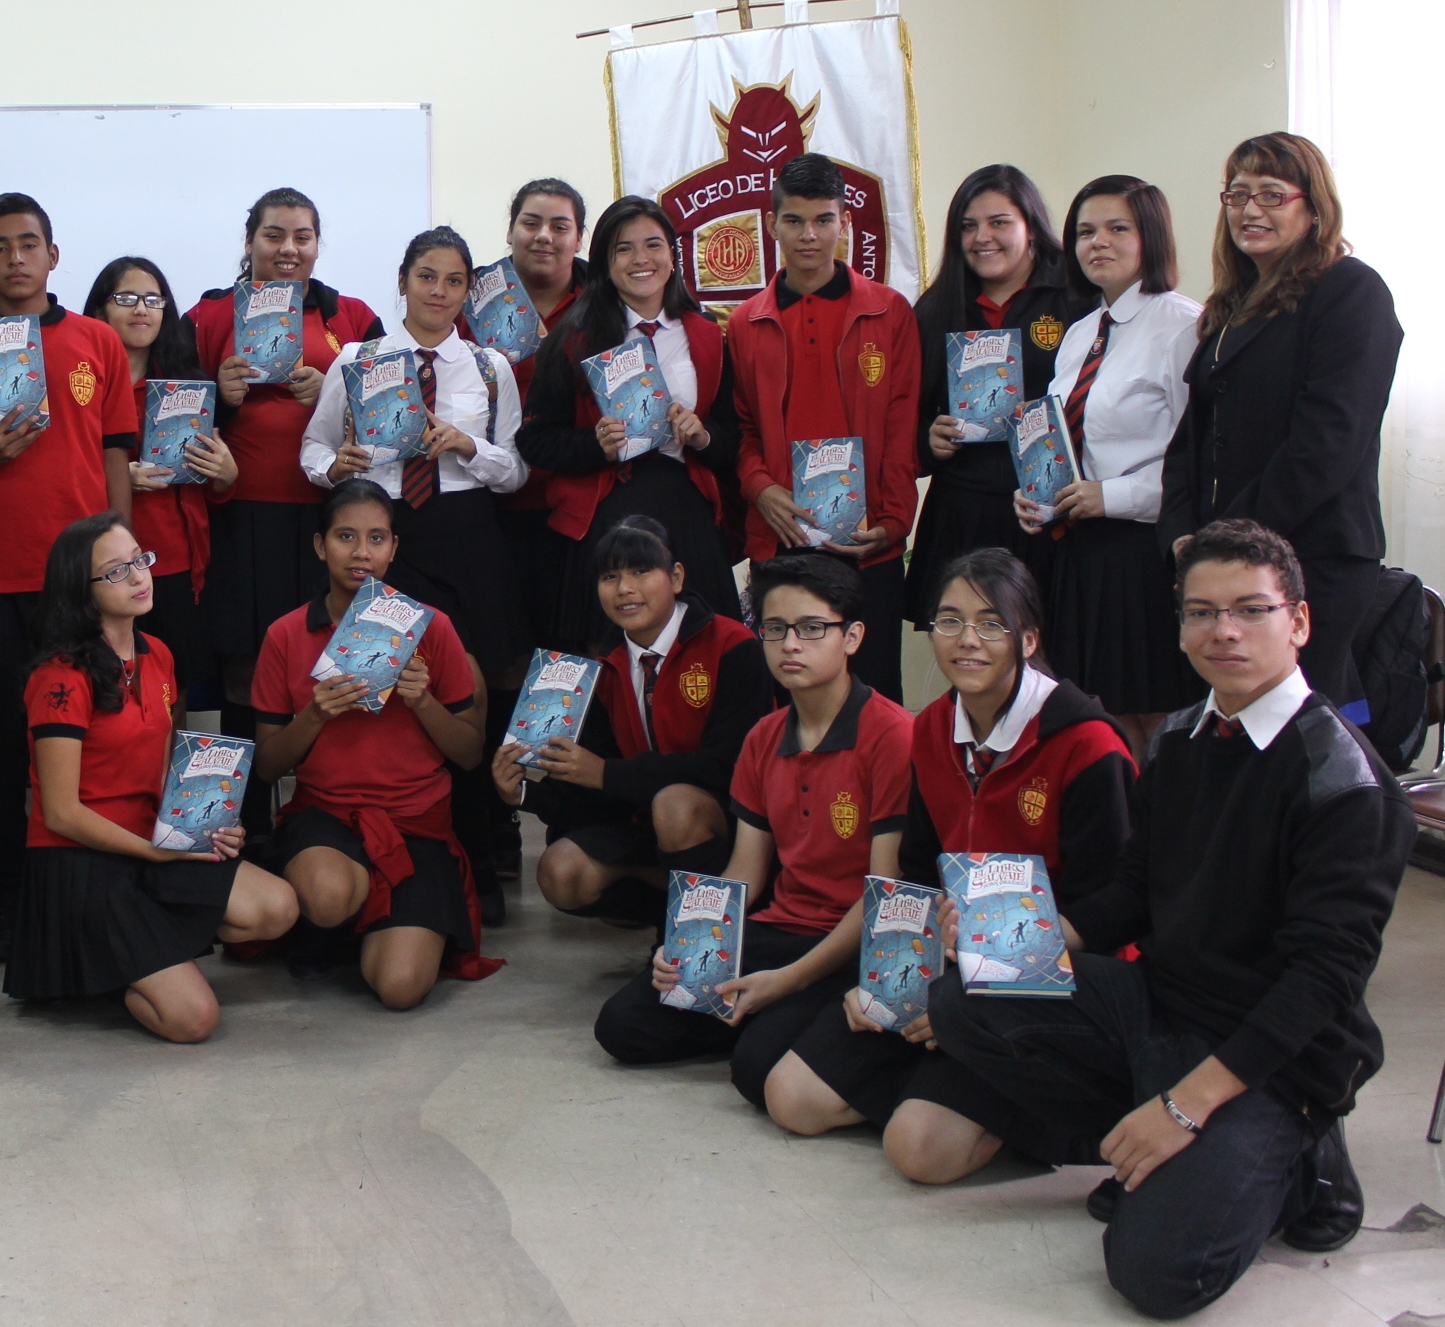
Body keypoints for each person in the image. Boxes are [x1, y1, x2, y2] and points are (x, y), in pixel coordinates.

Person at [928, 520, 1413, 1317]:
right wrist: (1021, 942)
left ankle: (1302, 1159)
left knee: (1156, 1274)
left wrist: (1185, 1106)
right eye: (1201, 612)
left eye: (1251, 610)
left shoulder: (1344, 781)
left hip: (1274, 1051)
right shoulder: (1180, 739)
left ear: (1298, 622)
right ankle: (1158, 1145)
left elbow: (1323, 980)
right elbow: (1133, 889)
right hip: (1164, 1004)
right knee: (968, 994)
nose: (1224, 631)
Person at [767, 548, 1134, 1181]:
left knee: (918, 1152)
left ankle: (1034, 1106)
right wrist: (889, 981)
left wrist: (967, 1004)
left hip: (1051, 982)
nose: (967, 640)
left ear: (1028, 639)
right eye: (949, 621)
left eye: (991, 623)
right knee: (790, 1098)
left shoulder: (1087, 744)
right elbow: (914, 872)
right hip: (948, 965)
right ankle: (945, 1077)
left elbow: (1112, 908)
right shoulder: (933, 728)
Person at [592, 554, 914, 1105]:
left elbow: (885, 897)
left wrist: (789, 980)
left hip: (854, 945)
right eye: (775, 628)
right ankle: (771, 1017)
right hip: (778, 929)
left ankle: (780, 1017)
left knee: (755, 1068)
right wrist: (688, 945)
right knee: (623, 1025)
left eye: (811, 628)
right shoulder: (764, 736)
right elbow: (744, 871)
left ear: (852, 637)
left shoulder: (892, 735)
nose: (791, 645)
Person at [0, 193, 138, 964]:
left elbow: (115, 453)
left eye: (29, 243)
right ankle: (5, 903)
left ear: (52, 253)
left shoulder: (97, 341)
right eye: (0, 247)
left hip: (76, 579)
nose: (16, 258)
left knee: (83, 738)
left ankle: (84, 891)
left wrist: (120, 556)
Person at [302, 226, 526, 920]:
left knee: (469, 694)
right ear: (402, 281)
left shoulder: (489, 366)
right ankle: (396, 850)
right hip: (385, 534)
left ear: (468, 291)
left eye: (454, 281)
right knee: (391, 691)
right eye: (427, 276)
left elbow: (516, 471)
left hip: (468, 536)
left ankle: (479, 858)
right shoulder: (357, 360)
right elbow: (312, 448)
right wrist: (334, 468)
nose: (439, 292)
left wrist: (470, 447)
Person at [7, 513, 298, 1039]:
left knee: (277, 908)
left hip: (149, 839)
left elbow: (165, 774)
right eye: (117, 571)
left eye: (140, 560)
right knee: (193, 1020)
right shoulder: (59, 677)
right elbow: (61, 813)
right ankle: (107, 967)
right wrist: (155, 852)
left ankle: (131, 953)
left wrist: (205, 826)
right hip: (81, 860)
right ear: (81, 589)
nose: (140, 576)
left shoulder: (158, 654)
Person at [1160, 134, 1402, 709]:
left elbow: (1327, 445)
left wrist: (1228, 542)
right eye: (1237, 194)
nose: (1250, 209)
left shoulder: (1351, 290)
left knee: (1306, 729)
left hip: (1313, 555)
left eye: (1271, 194)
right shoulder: (1234, 303)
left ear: (1314, 208)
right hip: (1223, 564)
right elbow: (1192, 439)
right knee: (1233, 728)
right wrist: (1181, 534)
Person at [252, 482, 498, 1007]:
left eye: (376, 538)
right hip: (325, 816)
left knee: (400, 989)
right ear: (320, 546)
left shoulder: (432, 628)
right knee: (326, 896)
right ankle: (328, 921)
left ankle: (360, 930)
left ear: (393, 548)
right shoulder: (285, 634)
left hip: (416, 822)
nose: (361, 552)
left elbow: (470, 754)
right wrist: (315, 714)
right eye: (345, 536)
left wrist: (422, 700)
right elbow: (268, 766)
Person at [185, 189, 387, 826]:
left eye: (302, 236)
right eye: (274, 235)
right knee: (245, 674)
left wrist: (333, 392)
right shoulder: (208, 315)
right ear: (250, 242)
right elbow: (168, 418)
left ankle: (324, 815)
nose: (288, 249)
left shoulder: (351, 315)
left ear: (318, 244)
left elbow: (391, 417)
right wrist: (218, 394)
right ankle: (239, 823)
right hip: (242, 518)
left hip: (331, 519)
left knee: (330, 667)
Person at [492, 515, 768, 924]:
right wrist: (522, 794)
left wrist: (608, 774)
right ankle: (673, 913)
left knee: (675, 805)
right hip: (645, 823)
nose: (624, 588)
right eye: (610, 576)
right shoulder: (600, 668)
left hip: (733, 827)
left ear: (676, 577)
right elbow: (591, 787)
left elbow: (729, 767)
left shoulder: (732, 645)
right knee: (560, 873)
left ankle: (701, 932)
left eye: (641, 571)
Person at [726, 155, 921, 700]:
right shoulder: (744, 323)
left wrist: (895, 520)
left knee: (874, 698)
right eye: (794, 221)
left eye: (823, 220)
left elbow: (902, 425)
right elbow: (742, 430)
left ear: (845, 224)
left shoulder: (890, 312)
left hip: (868, 544)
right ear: (772, 225)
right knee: (785, 703)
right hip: (783, 540)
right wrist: (760, 488)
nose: (808, 235)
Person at [1016, 177, 1201, 742]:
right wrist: (1037, 491)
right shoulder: (1080, 333)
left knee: (1157, 717)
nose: (1098, 242)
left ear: (1152, 237)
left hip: (1146, 552)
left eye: (1118, 228)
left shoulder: (1183, 325)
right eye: (1085, 231)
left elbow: (1196, 460)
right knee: (1100, 718)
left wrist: (1112, 496)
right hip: (1080, 552)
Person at [518, 195, 741, 648]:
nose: (641, 259)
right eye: (624, 248)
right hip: (605, 516)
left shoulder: (707, 335)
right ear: (605, 261)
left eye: (653, 245)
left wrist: (702, 436)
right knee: (607, 661)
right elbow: (535, 440)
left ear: (673, 257)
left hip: (685, 513)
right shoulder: (573, 339)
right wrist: (594, 445)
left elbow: (735, 436)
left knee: (702, 655)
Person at [471, 179, 592, 886]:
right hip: (489, 514)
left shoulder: (602, 300)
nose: (544, 236)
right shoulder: (475, 297)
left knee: (570, 667)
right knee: (498, 669)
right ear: (511, 228)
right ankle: (494, 829)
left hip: (574, 514)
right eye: (530, 222)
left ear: (578, 236)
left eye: (560, 225)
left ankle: (571, 823)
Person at [907, 165, 1087, 624]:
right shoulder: (936, 308)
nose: (982, 238)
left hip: (1053, 512)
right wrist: (929, 440)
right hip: (965, 510)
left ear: (1032, 226)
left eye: (999, 222)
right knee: (971, 645)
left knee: (1051, 647)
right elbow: (905, 415)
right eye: (968, 226)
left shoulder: (1077, 296)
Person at [86, 255, 239, 710]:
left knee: (172, 689)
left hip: (174, 561)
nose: (141, 309)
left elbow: (209, 487)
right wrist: (117, 477)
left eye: (153, 300)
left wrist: (226, 476)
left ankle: (166, 759)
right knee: (105, 689)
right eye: (126, 298)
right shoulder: (82, 388)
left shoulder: (189, 388)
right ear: (99, 310)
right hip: (102, 563)